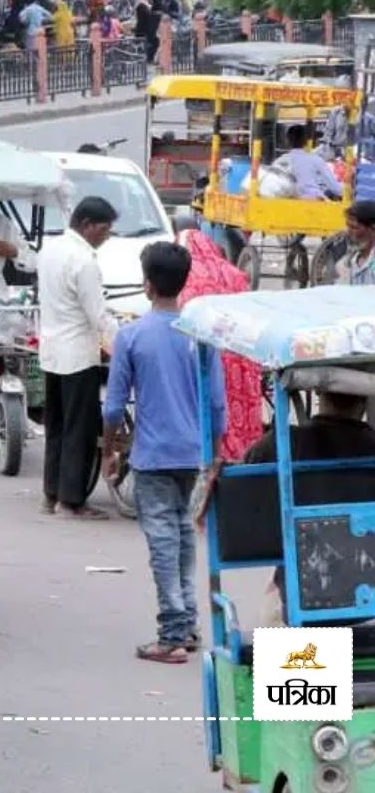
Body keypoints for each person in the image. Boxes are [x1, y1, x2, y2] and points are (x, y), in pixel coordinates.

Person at [103, 242, 225, 664]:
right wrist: (215, 452)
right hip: (193, 454)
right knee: (181, 536)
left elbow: (115, 406)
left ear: (148, 284)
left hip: (153, 455)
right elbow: (216, 405)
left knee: (162, 542)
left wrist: (108, 450)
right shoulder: (200, 337)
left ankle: (172, 634)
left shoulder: (132, 335)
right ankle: (187, 623)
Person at [245, 391, 375, 626]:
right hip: (370, 614)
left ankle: (293, 663)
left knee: (270, 605)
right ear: (365, 398)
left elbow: (246, 510)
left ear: (318, 392)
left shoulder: (277, 445)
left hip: (299, 613)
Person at [38, 196, 120, 520]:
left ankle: (51, 493)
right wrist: (122, 341)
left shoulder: (50, 250)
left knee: (56, 425)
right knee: (80, 429)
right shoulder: (84, 261)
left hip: (52, 350)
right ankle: (71, 500)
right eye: (105, 229)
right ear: (87, 225)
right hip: (78, 354)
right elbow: (98, 315)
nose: (107, 235)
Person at [174, 222, 264, 460]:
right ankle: (243, 457)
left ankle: (213, 456)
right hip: (240, 356)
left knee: (209, 409)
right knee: (237, 414)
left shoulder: (186, 279)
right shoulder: (233, 274)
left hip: (207, 357)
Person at [280, 124, 343, 201]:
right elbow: (336, 189)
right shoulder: (316, 160)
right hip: (314, 201)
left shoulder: (280, 161)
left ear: (287, 141)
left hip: (287, 202)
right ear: (306, 141)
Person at [340, 201, 375, 286]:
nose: (348, 232)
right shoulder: (350, 261)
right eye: (348, 226)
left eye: (354, 227)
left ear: (372, 229)